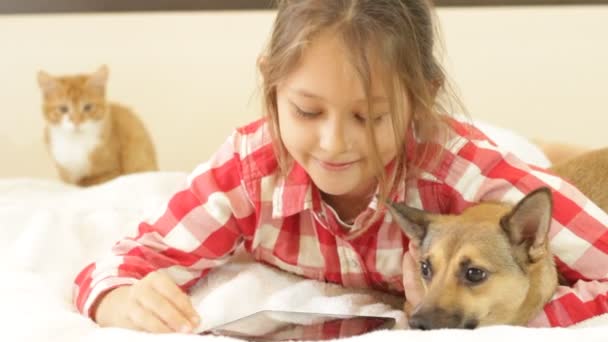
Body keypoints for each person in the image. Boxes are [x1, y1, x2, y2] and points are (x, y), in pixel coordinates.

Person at [73, 0, 608, 333]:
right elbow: (120, 265)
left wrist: (518, 317)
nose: (333, 144)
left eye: (369, 116)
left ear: (421, 98)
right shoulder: (247, 172)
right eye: (307, 111)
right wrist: (119, 300)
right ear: (272, 85)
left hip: (494, 153)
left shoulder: (463, 169)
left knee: (553, 162)